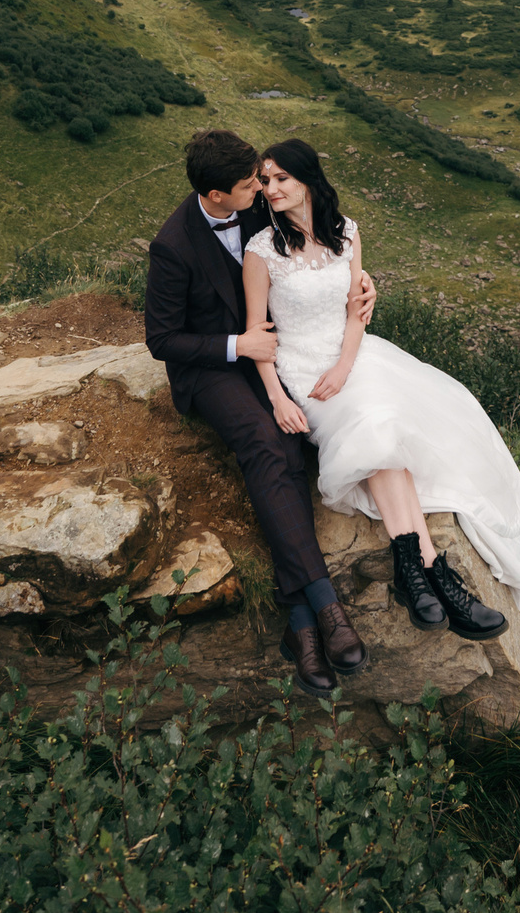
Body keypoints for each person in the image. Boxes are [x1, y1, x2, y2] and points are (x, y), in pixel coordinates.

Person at [241, 137, 520, 642]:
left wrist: (346, 365)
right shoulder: (261, 250)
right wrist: (278, 397)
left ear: (307, 180)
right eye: (266, 180)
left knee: (389, 424)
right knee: (378, 431)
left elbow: (353, 311)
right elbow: (258, 335)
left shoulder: (345, 233)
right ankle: (433, 573)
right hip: (303, 372)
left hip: (352, 358)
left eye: (281, 178)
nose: (270, 189)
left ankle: (417, 573)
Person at [143, 129, 379, 699]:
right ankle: (321, 608)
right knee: (261, 439)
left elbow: (315, 247)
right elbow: (161, 339)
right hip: (213, 366)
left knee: (292, 443)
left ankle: (298, 625)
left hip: (271, 353)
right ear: (218, 194)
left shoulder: (256, 213)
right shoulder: (172, 245)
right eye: (252, 184)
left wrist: (362, 283)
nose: (265, 190)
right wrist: (236, 346)